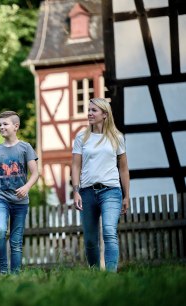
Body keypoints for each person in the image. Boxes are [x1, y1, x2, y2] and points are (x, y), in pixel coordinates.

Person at [71, 97, 130, 272]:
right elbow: (75, 165)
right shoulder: (81, 137)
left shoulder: (117, 137)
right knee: (90, 239)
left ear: (105, 114)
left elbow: (124, 169)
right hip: (87, 192)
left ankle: (110, 275)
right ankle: (96, 274)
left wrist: (127, 195)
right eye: (88, 110)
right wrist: (76, 191)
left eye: (93, 110)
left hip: (111, 191)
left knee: (109, 231)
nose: (89, 113)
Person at [0, 111, 39, 274]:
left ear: (16, 126)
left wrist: (27, 187)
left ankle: (15, 275)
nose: (1, 127)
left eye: (5, 124)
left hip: (21, 201)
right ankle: (4, 271)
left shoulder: (25, 147)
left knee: (16, 240)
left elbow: (35, 173)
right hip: (1, 198)